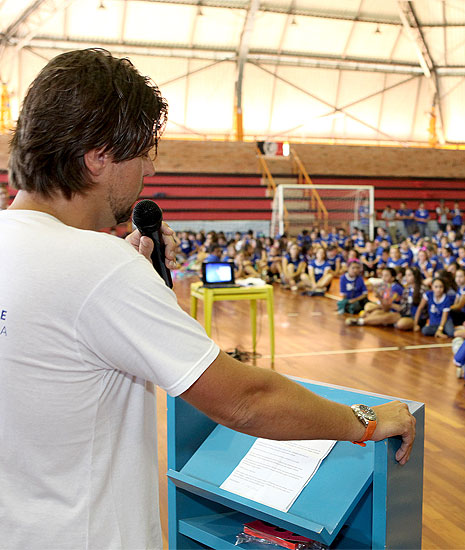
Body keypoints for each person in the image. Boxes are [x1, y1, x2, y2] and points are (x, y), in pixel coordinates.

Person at [0, 49, 415, 549]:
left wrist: (132, 278)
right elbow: (245, 400)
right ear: (98, 155)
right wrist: (363, 421)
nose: (149, 169)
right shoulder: (101, 269)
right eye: (142, 152)